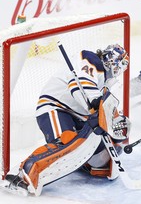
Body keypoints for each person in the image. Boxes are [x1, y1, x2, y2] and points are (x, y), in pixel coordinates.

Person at [2, 44, 130, 196]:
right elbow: (78, 85)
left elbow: (104, 109)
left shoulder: (105, 84)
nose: (119, 69)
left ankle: (82, 162)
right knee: (66, 141)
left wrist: (116, 122)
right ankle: (21, 174)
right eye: (120, 64)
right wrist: (96, 103)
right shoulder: (90, 59)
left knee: (102, 160)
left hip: (79, 117)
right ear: (111, 59)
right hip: (55, 108)